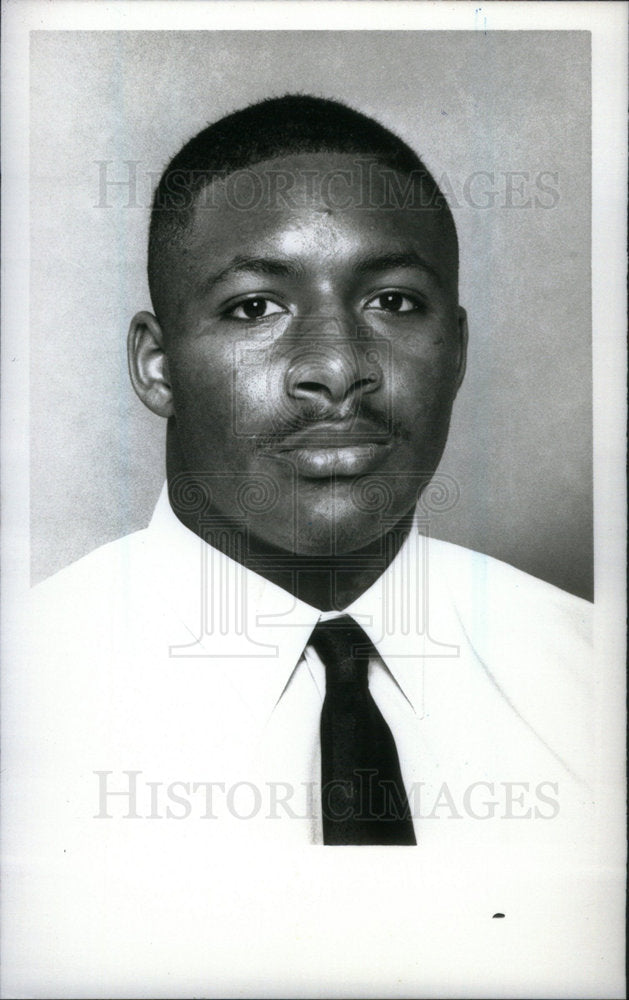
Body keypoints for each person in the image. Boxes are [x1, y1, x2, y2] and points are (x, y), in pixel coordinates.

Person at [9, 95, 611, 995]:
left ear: (454, 347)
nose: (337, 366)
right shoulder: (23, 701)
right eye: (254, 308)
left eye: (394, 301)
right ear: (156, 365)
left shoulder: (598, 682)